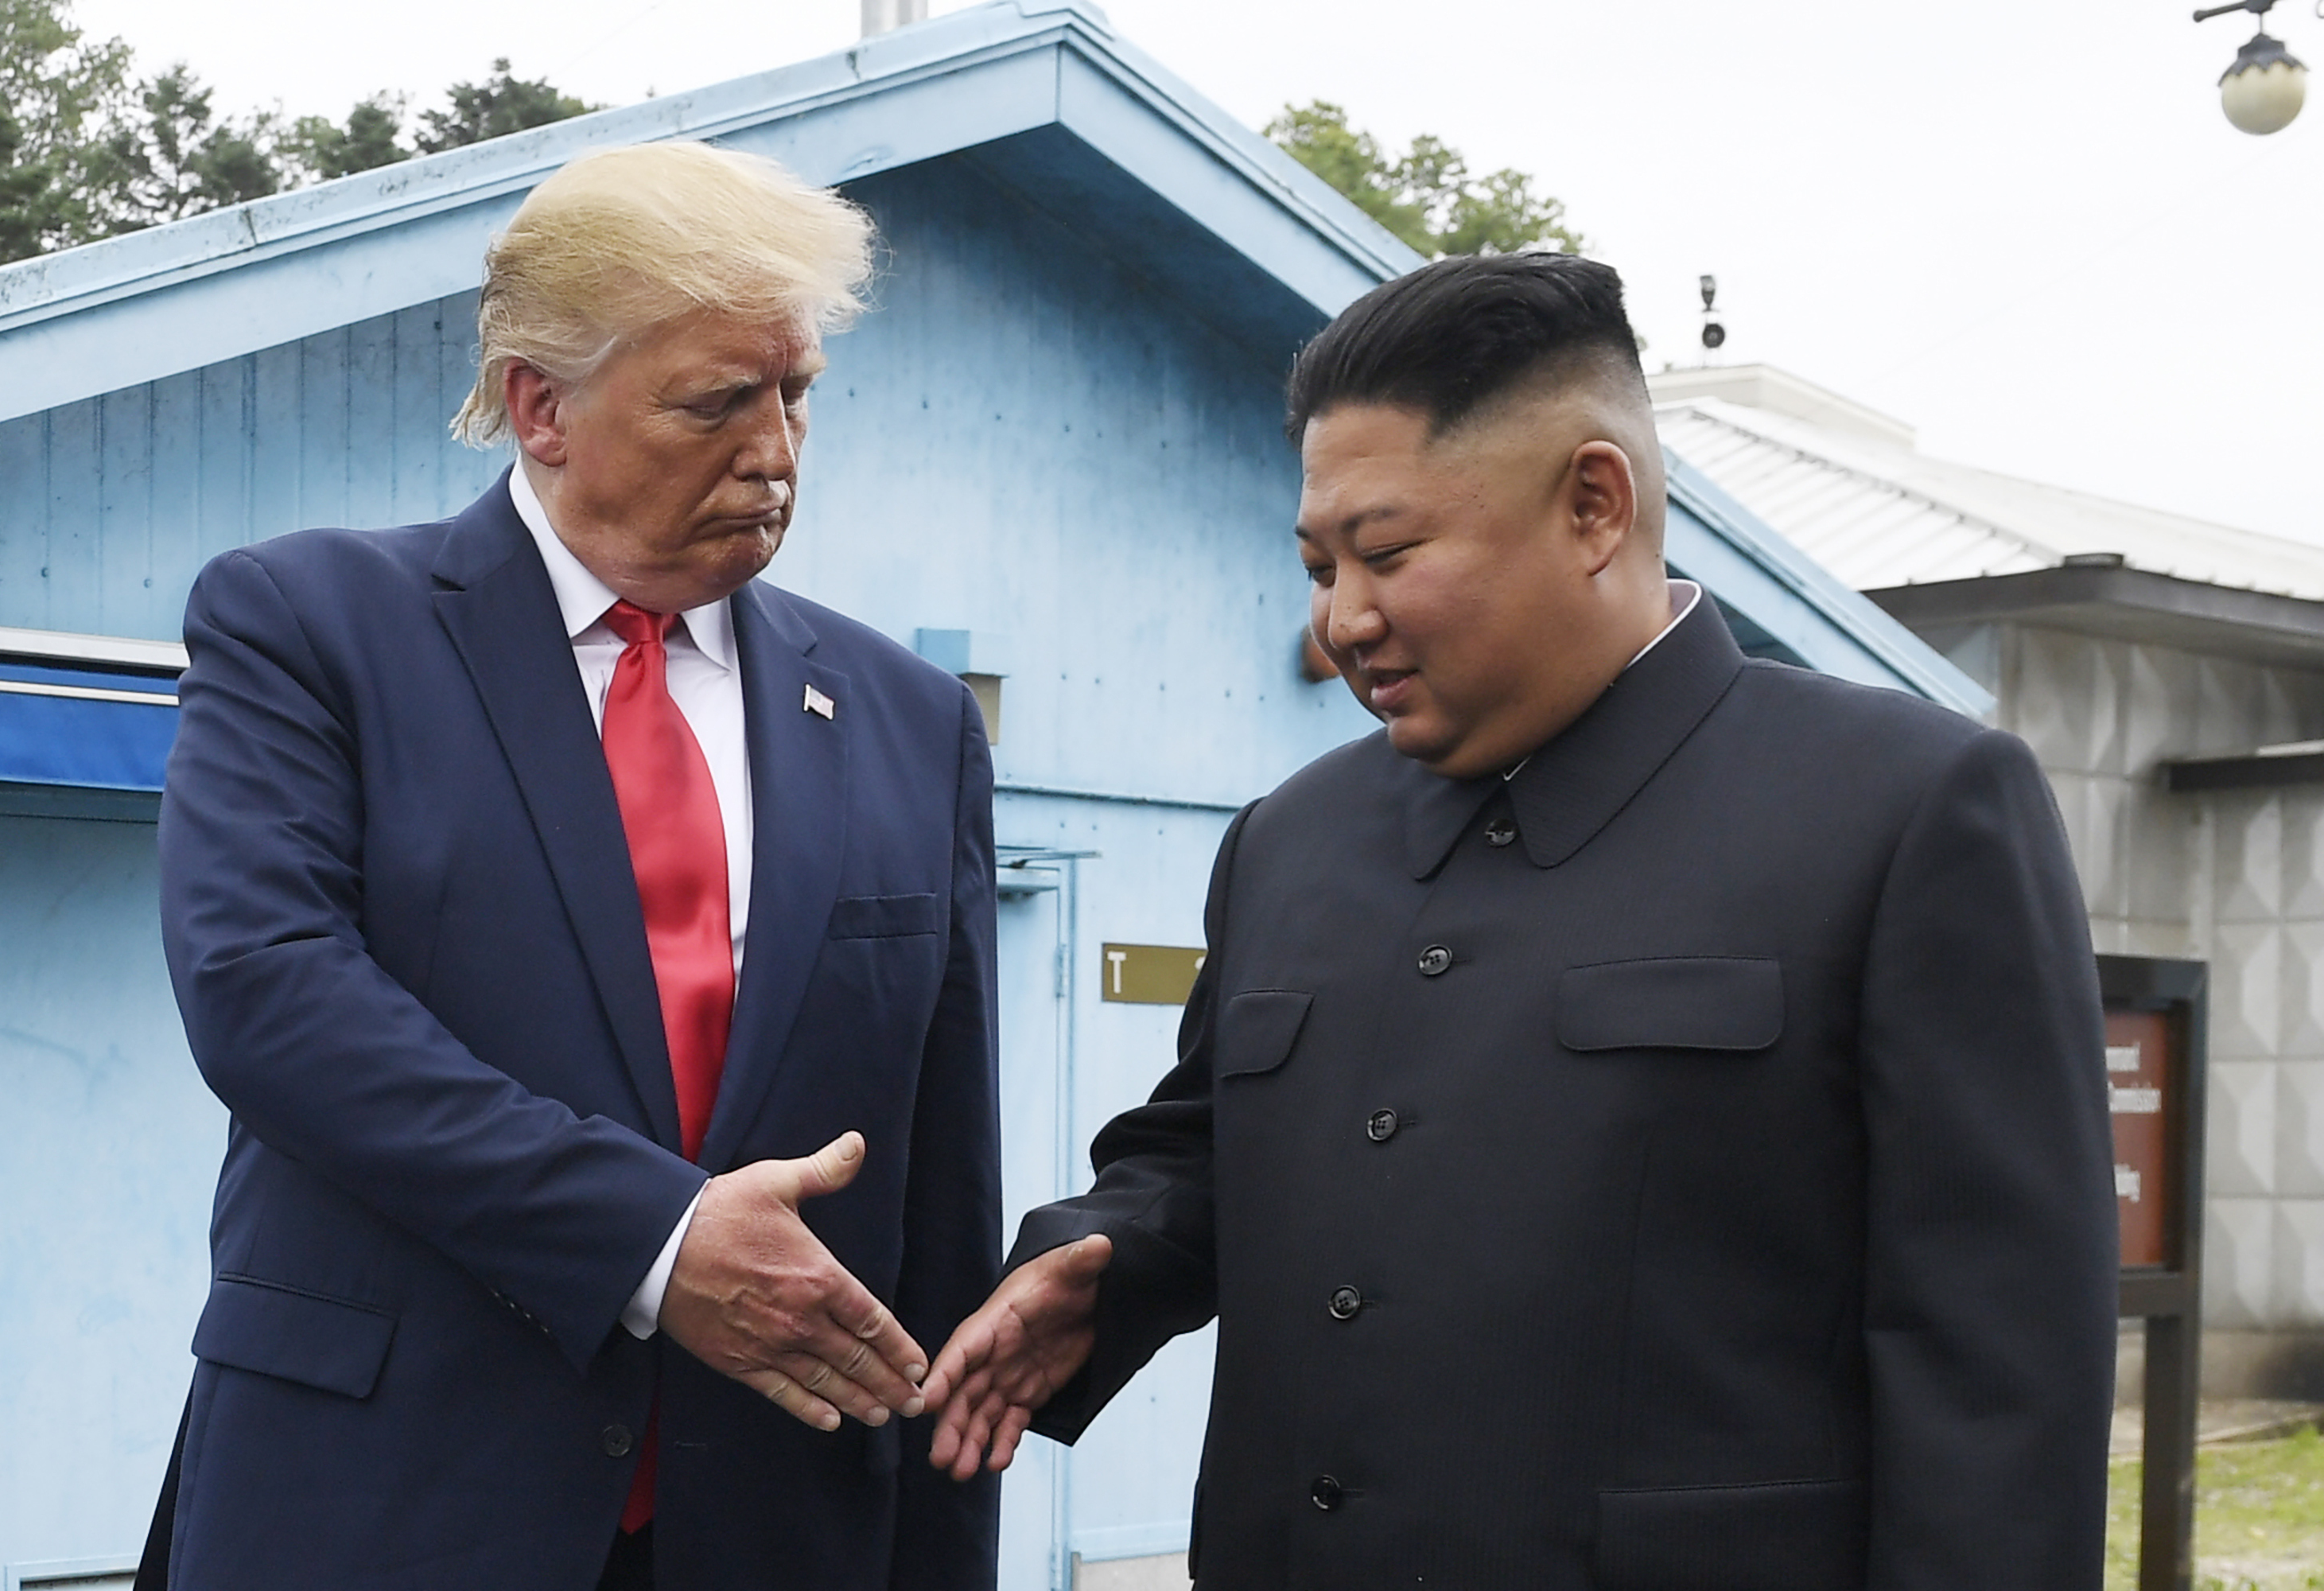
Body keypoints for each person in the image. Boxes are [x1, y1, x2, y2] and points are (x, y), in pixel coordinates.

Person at [923, 252, 2117, 1589]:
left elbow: (2002, 1369)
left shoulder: (1905, 810)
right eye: (1319, 564)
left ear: (1594, 505)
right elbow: (1201, 1149)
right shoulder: (1289, 839)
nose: (1342, 620)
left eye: (1387, 553)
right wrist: (1105, 1260)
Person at [144, 142, 1000, 1591]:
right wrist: (657, 1239)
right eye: (716, 404)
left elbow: (937, 1190)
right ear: (541, 406)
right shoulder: (311, 625)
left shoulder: (909, 719)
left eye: (796, 396)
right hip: (383, 1508)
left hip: (776, 1529)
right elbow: (270, 999)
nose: (776, 452)